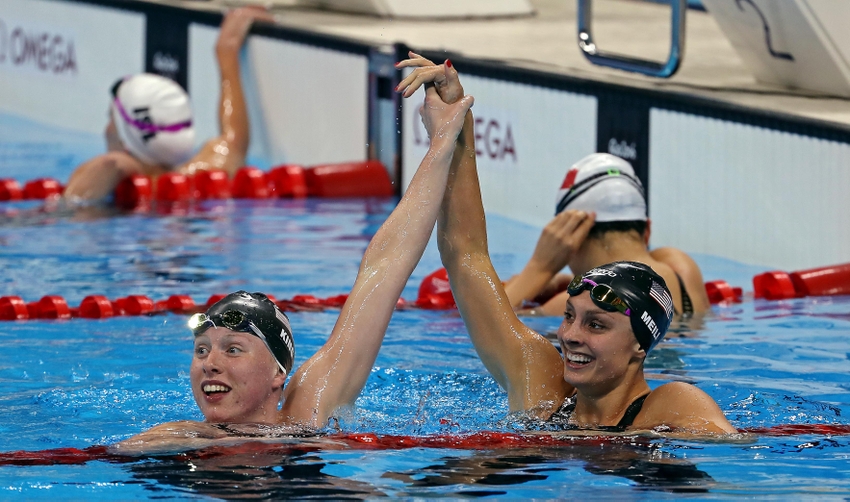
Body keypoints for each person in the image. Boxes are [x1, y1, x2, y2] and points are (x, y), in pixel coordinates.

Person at [112, 71, 475, 454]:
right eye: (202, 349)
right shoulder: (172, 440)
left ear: (278, 373)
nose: (209, 363)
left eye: (232, 349)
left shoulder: (308, 413)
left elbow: (385, 267)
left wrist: (442, 141)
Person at [396, 53, 735, 435]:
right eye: (570, 315)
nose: (571, 335)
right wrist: (456, 127)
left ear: (640, 345)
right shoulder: (541, 384)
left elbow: (734, 459)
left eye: (596, 324)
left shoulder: (669, 404)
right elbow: (465, 255)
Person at [63, 7, 268, 202]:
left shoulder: (119, 177)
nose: (106, 129)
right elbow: (233, 140)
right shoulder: (206, 173)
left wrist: (125, 161)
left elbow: (107, 166)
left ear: (126, 140)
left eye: (111, 119)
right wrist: (227, 51)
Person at [502, 152, 711, 316]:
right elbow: (635, 274)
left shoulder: (583, 302)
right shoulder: (682, 269)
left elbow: (488, 331)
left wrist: (539, 269)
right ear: (647, 231)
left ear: (574, 237)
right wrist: (567, 280)